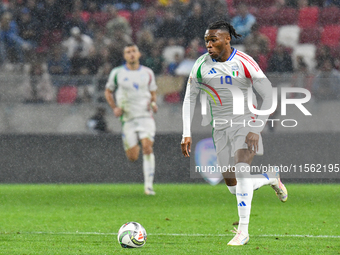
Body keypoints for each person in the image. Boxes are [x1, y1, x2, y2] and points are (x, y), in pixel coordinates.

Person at [181, 21, 288, 246]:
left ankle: (243, 231)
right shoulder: (200, 65)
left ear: (227, 39)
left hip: (245, 122)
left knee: (241, 171)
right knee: (233, 187)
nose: (208, 45)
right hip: (219, 128)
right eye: (206, 41)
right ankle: (270, 177)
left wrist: (257, 128)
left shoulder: (244, 61)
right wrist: (186, 132)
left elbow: (269, 95)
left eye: (213, 40)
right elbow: (190, 98)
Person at [105, 43, 158, 195]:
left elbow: (153, 92)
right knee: (133, 156)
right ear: (124, 56)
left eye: (134, 51)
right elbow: (108, 92)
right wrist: (115, 107)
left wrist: (153, 104)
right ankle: (135, 143)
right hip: (128, 118)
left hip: (145, 116)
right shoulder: (117, 73)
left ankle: (148, 186)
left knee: (148, 147)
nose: (132, 54)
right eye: (128, 52)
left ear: (139, 54)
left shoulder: (148, 73)